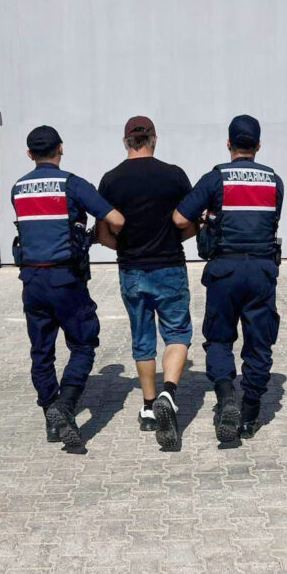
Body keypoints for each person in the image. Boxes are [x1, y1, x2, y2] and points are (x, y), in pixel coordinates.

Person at [10, 125, 125, 449]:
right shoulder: (71, 184)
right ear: (61, 148)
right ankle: (66, 405)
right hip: (66, 280)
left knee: (41, 352)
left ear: (30, 154)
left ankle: (51, 415)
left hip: (32, 281)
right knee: (84, 344)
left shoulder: (18, 189)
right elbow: (116, 220)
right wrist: (91, 231)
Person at [173, 114, 283, 444]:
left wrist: (208, 217)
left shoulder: (216, 177)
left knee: (220, 339)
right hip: (262, 272)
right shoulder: (274, 181)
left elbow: (179, 218)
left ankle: (226, 398)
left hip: (225, 272)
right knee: (258, 343)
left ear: (229, 144)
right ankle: (249, 415)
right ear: (259, 145)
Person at [94, 116, 196, 452]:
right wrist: (173, 238)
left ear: (126, 141)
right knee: (178, 333)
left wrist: (124, 247)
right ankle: (170, 391)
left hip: (132, 269)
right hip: (169, 265)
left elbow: (103, 233)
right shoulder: (174, 175)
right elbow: (190, 222)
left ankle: (150, 406)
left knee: (142, 338)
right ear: (153, 138)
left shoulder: (110, 180)